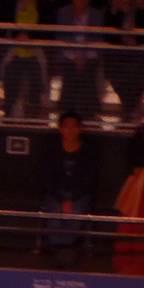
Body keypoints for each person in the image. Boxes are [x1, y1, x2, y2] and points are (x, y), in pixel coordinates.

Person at [41, 111, 99, 258]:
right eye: (66, 126)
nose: (70, 130)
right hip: (55, 193)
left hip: (79, 194)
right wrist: (62, 199)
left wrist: (72, 198)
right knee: (55, 213)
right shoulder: (51, 150)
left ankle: (66, 249)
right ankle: (58, 249)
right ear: (60, 129)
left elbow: (89, 179)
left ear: (80, 129)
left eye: (74, 126)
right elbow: (46, 178)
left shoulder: (89, 152)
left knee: (75, 213)